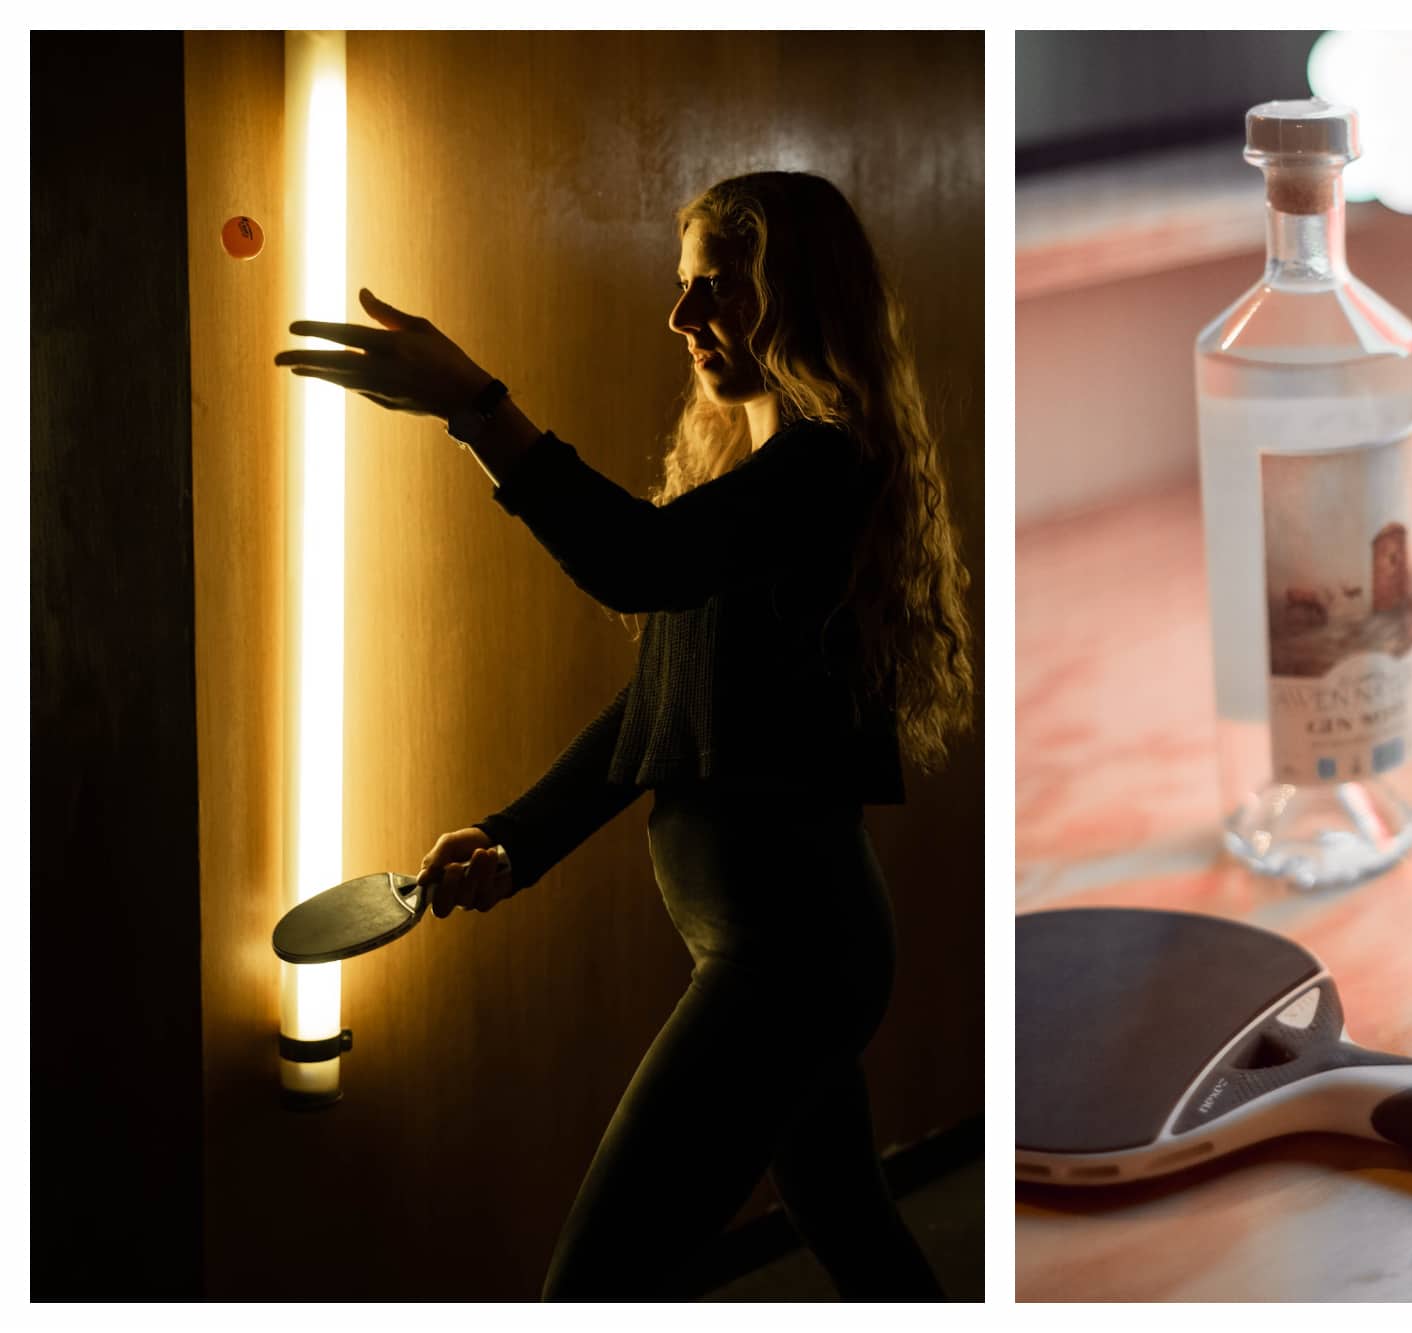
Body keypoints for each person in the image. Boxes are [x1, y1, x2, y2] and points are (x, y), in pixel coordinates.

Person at [274, 171, 975, 1300]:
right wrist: (518, 837)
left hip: (785, 961)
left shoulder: (825, 465)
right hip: (788, 954)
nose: (682, 318)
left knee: (591, 1290)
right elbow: (659, 705)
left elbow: (635, 564)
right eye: (682, 286)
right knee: (856, 1235)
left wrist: (476, 407)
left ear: (796, 297)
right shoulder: (750, 471)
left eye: (717, 288)